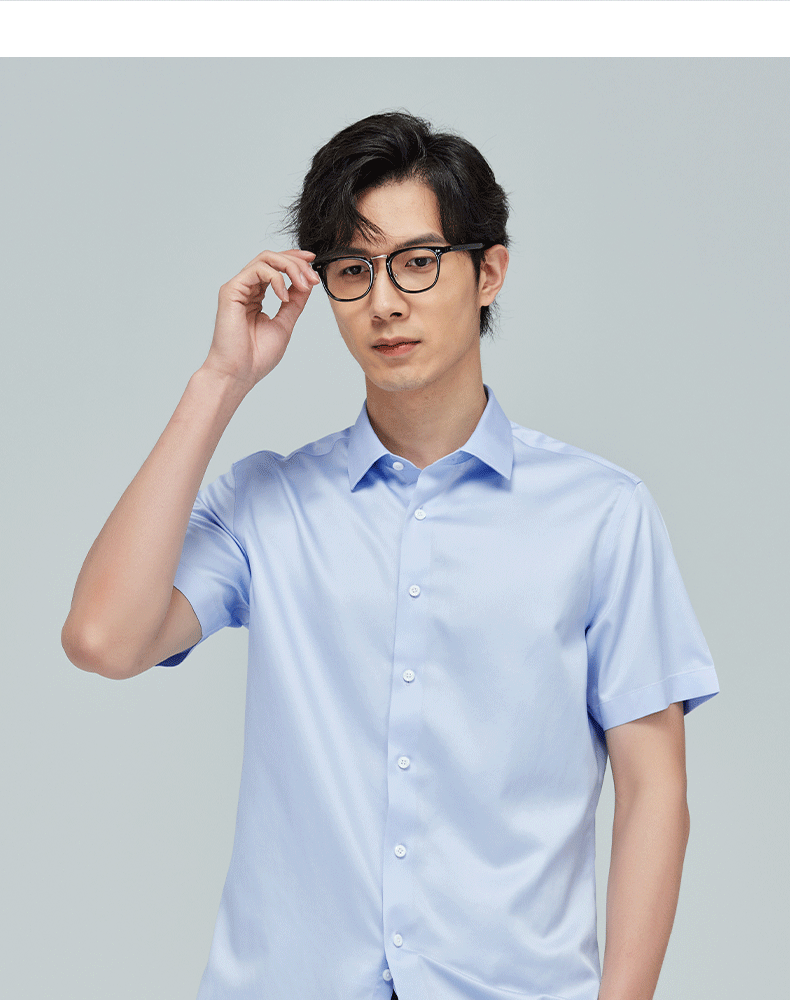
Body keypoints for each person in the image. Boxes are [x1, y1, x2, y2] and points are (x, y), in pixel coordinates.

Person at [62, 111, 719, 1000]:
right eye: (353, 269)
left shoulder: (601, 515)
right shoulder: (268, 504)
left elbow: (654, 792)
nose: (384, 302)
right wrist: (220, 381)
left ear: (489, 272)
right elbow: (103, 638)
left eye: (418, 261)